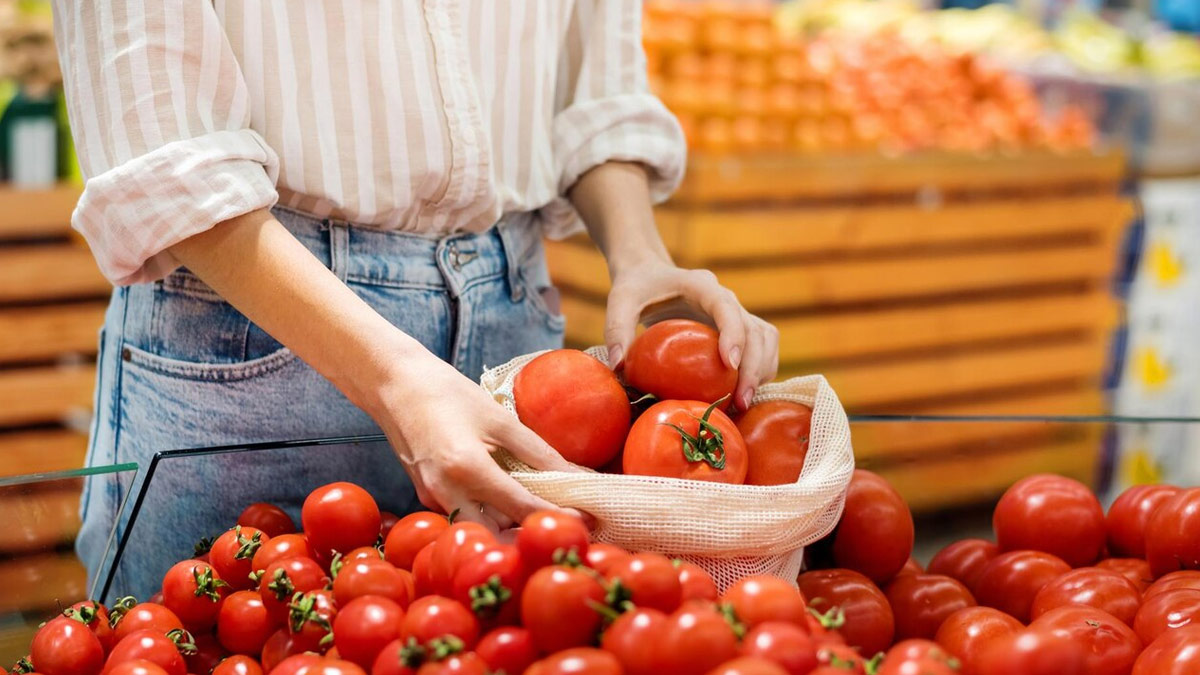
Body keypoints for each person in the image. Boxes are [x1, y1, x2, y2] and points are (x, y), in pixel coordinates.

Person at [53, 1, 779, 597]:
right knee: (209, 632)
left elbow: (597, 79)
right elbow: (158, 141)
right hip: (257, 324)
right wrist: (395, 375)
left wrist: (640, 255)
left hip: (513, 317)